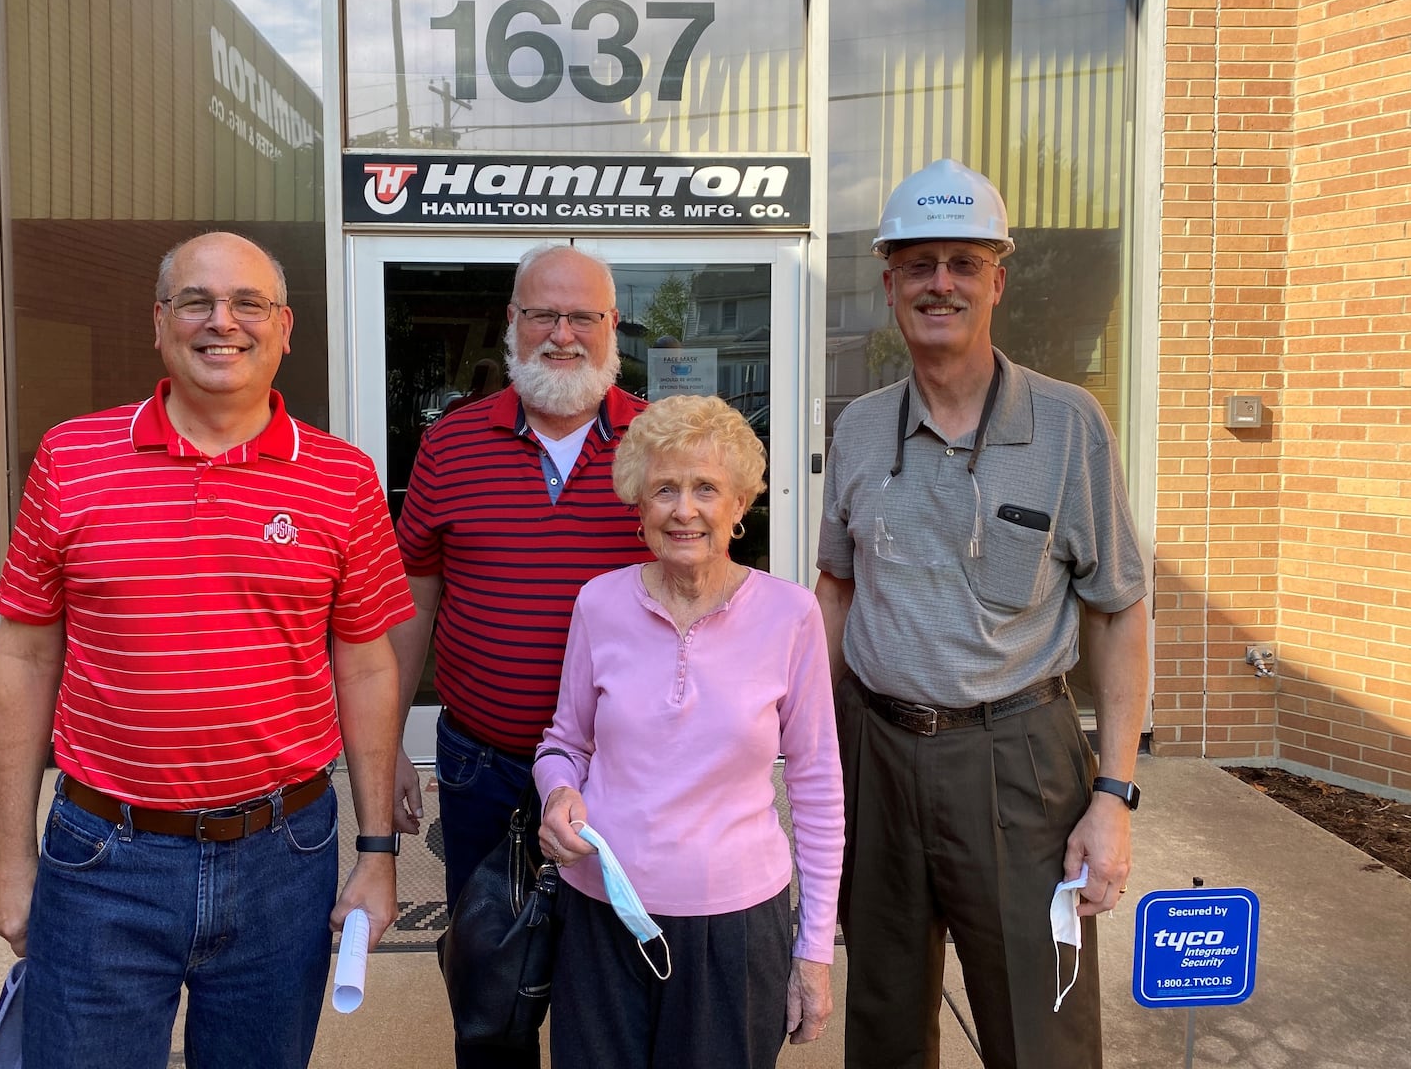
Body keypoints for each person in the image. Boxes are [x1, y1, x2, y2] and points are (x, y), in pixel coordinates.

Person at [0, 232, 414, 1069]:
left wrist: (376, 853)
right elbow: (23, 657)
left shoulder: (343, 478)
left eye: (248, 303)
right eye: (197, 302)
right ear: (159, 323)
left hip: (285, 860)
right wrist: (10, 860)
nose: (224, 322)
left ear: (285, 328)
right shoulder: (71, 460)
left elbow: (366, 664)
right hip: (103, 855)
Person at [815, 159, 1149, 1069]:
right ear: (889, 285)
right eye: (919, 264)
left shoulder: (1070, 425)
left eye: (964, 262)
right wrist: (813, 751)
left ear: (998, 279)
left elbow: (1119, 612)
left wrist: (1113, 799)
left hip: (1018, 760)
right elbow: (834, 592)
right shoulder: (857, 428)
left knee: (1037, 1025)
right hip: (876, 755)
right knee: (882, 1016)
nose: (941, 284)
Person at [390, 243, 651, 1068]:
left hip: (624, 775)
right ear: (512, 323)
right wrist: (389, 740)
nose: (562, 335)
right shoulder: (451, 445)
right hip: (485, 771)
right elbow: (415, 599)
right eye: (543, 313)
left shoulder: (660, 445)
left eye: (583, 316)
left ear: (612, 327)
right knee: (491, 994)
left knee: (608, 997)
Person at [535, 394, 843, 1068]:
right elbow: (564, 743)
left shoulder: (790, 616)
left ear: (739, 506)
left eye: (707, 489)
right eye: (665, 489)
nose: (684, 509)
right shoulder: (600, 603)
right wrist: (557, 793)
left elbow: (818, 787)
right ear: (638, 506)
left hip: (734, 932)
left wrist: (814, 950)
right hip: (601, 914)